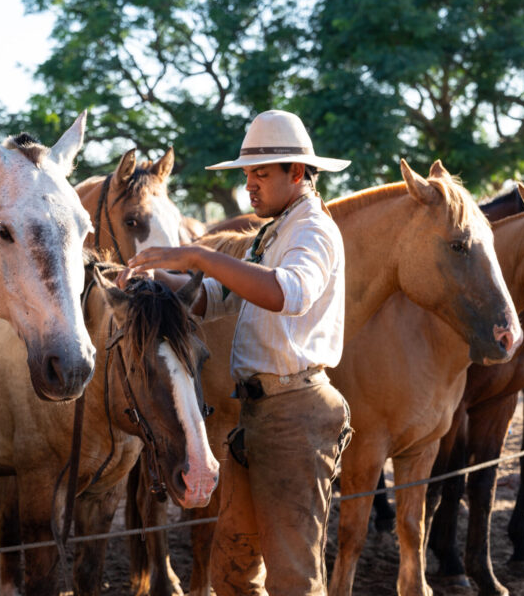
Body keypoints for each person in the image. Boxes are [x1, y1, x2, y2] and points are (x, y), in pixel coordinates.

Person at [119, 109, 352, 595]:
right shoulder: (275, 229)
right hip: (258, 412)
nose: (250, 185)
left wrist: (201, 256)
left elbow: (289, 293)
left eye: (260, 174)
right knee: (234, 567)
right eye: (247, 174)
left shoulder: (312, 229)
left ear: (298, 172)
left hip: (296, 413)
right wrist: (158, 276)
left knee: (293, 574)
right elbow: (217, 297)